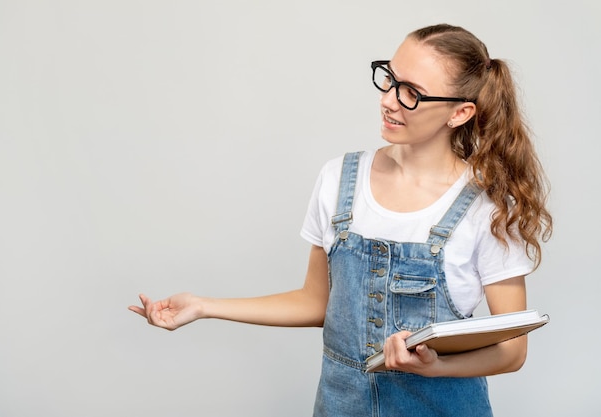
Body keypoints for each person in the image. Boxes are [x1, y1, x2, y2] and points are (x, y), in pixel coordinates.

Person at [129, 23, 553, 416]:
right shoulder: (339, 179)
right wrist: (203, 306)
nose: (388, 99)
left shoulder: (488, 207)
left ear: (459, 113)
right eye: (389, 78)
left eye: (411, 93)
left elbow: (512, 350)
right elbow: (316, 302)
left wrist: (433, 367)